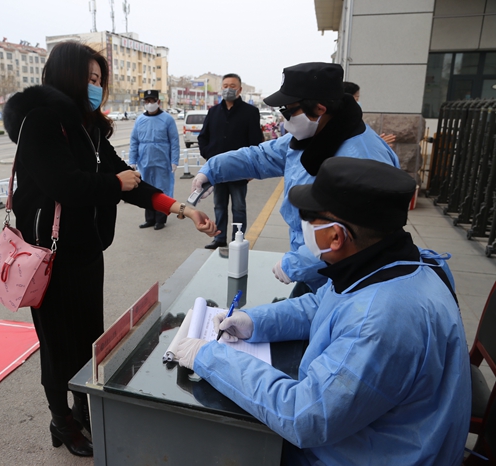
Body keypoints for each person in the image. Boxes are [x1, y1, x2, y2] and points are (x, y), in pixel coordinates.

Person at [176, 157, 469, 465]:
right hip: (392, 432)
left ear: (336, 236)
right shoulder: (399, 262)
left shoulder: (378, 321)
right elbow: (323, 303)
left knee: (223, 444)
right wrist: (254, 321)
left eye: (309, 218)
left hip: (372, 455)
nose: (303, 226)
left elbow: (305, 416)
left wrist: (210, 357)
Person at [2, 41, 218, 458]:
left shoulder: (88, 129)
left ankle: (82, 406)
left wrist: (182, 208)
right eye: (90, 78)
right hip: (50, 258)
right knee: (58, 345)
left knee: (88, 339)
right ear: (67, 76)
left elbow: (127, 179)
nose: (96, 87)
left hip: (85, 253)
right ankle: (60, 419)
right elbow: (66, 185)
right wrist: (113, 184)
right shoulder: (42, 121)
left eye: (100, 80)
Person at [193, 63, 400, 293]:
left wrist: (298, 263)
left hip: (344, 280)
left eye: (289, 111)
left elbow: (356, 237)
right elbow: (260, 156)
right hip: (314, 266)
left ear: (319, 108)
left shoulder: (363, 159)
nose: (285, 120)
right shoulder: (315, 134)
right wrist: (212, 170)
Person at [197, 73, 263, 249]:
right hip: (218, 171)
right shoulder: (213, 112)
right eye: (225, 86)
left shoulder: (250, 112)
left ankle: (237, 240)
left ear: (240, 90)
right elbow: (203, 137)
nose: (228, 89)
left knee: (239, 207)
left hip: (240, 170)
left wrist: (251, 168)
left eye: (232, 86)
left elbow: (256, 142)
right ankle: (219, 238)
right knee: (219, 205)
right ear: (221, 88)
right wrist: (209, 157)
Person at [129, 89, 180, 230]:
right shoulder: (140, 120)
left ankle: (160, 219)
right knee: (147, 190)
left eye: (152, 101)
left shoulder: (167, 119)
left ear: (158, 102)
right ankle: (150, 219)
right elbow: (134, 141)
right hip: (145, 161)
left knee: (161, 189)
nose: (150, 103)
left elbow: (174, 142)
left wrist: (174, 161)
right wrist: (132, 161)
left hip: (162, 161)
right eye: (147, 101)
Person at [342, 81, 396, 148]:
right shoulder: (345, 124)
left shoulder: (355, 122)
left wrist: (375, 142)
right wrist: (375, 145)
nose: (358, 102)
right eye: (356, 98)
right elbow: (352, 148)